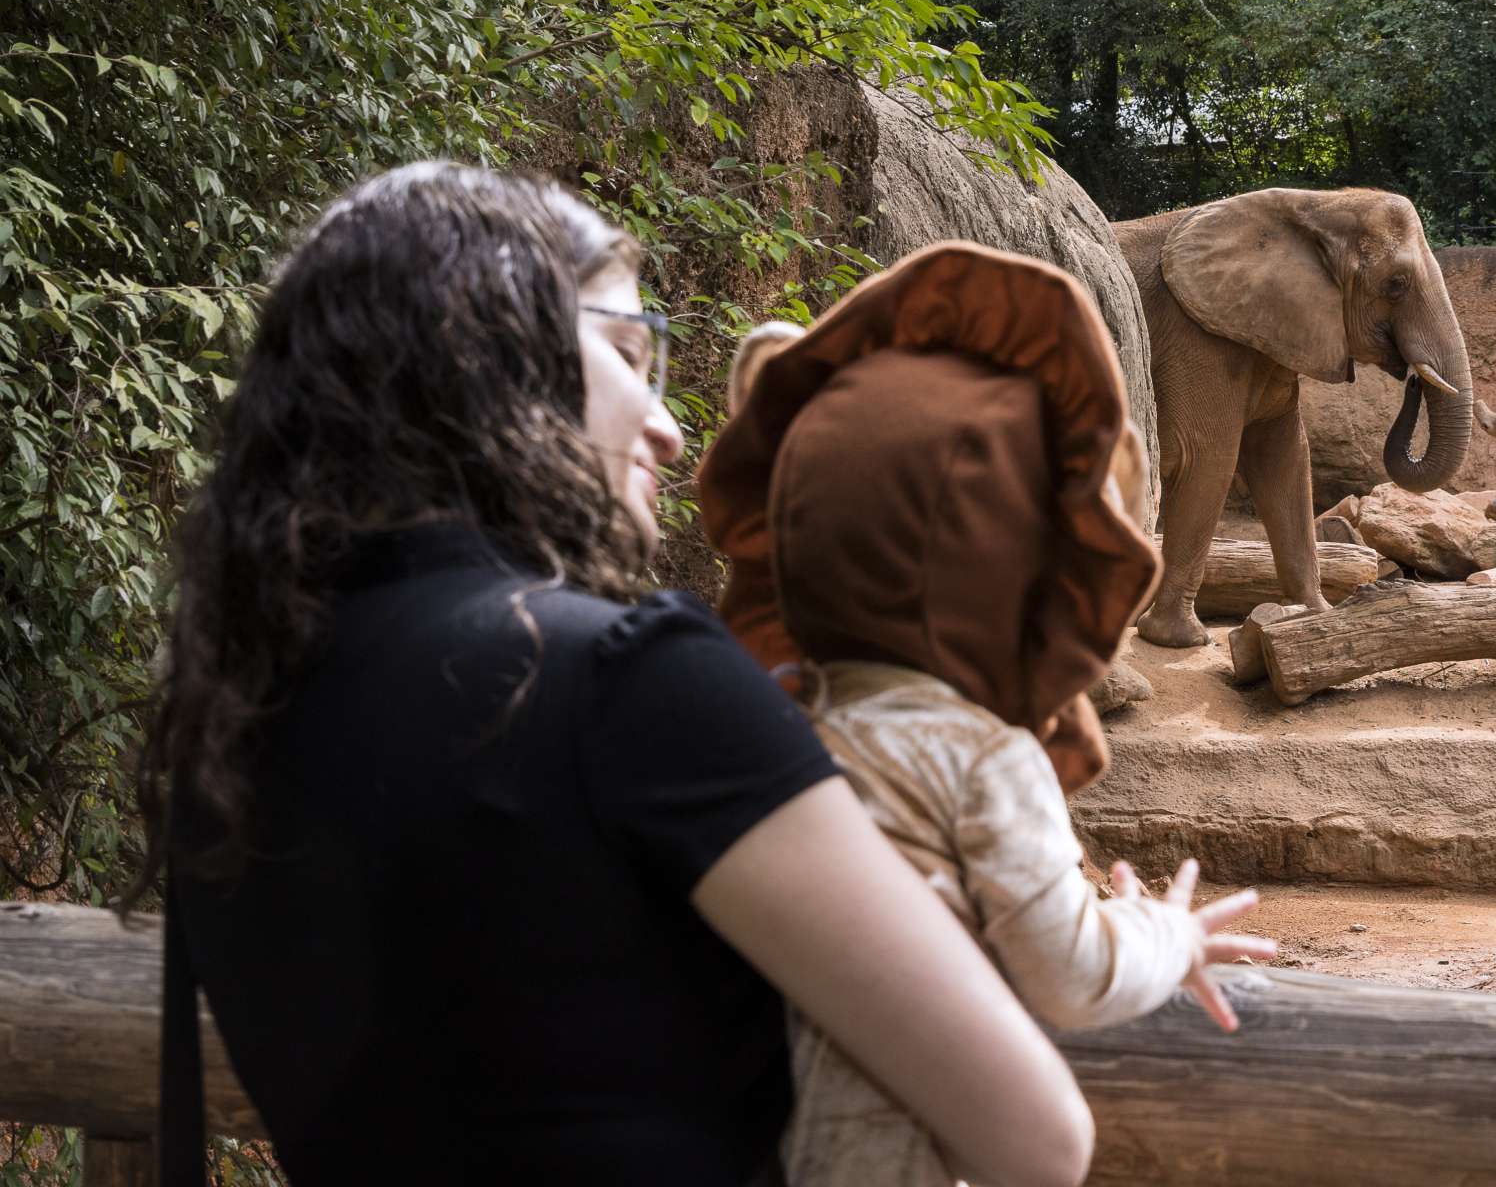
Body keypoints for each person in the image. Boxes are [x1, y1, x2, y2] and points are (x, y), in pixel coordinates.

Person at [129, 163, 1097, 1187]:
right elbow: (1038, 1133)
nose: (671, 427)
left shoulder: (232, 710)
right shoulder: (630, 681)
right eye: (633, 352)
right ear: (493, 345)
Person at [701, 242, 1277, 1186]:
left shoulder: (759, 722)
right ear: (1026, 573)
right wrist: (1166, 936)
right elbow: (1070, 972)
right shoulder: (974, 755)